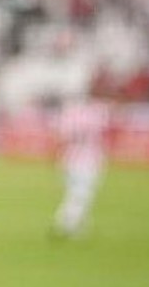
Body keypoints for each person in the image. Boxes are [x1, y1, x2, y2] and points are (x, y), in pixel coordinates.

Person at [49, 92, 111, 239]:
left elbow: (60, 137)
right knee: (82, 194)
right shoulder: (97, 114)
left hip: (68, 159)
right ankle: (66, 223)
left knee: (73, 193)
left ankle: (79, 225)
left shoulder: (69, 115)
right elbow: (106, 133)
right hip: (89, 160)